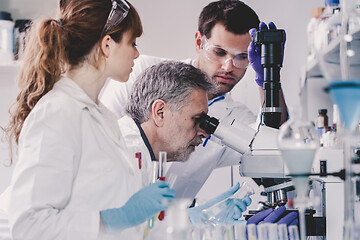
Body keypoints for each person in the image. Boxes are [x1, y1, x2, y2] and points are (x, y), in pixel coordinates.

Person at [1, 0, 175, 239]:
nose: (136, 53)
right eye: (132, 42)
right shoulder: (56, 114)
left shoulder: (102, 116)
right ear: (107, 45)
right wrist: (117, 217)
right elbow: (30, 224)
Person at [100, 0, 288, 200]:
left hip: (166, 223)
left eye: (242, 57)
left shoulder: (235, 117)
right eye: (219, 52)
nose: (228, 66)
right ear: (199, 42)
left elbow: (273, 144)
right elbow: (102, 139)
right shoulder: (142, 72)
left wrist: (269, 77)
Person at [120, 60, 252, 229]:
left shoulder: (142, 153)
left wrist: (195, 219)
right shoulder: (122, 155)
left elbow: (143, 225)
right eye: (197, 119)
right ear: (160, 112)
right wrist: (191, 220)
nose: (204, 132)